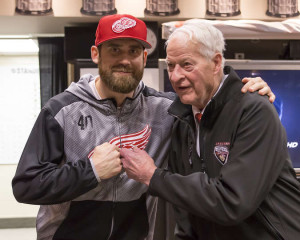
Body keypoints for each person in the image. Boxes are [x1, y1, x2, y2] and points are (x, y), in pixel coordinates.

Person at [12, 14, 275, 240]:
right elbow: (26, 185)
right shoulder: (61, 111)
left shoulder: (168, 109)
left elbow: (210, 99)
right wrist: (90, 171)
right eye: (114, 49)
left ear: (144, 57)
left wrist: (246, 91)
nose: (124, 60)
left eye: (133, 51)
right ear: (96, 54)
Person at [120, 20, 300, 240]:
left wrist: (152, 176)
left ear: (216, 63)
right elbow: (186, 210)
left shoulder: (253, 110)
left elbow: (232, 202)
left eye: (187, 64)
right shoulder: (182, 117)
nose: (175, 76)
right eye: (170, 65)